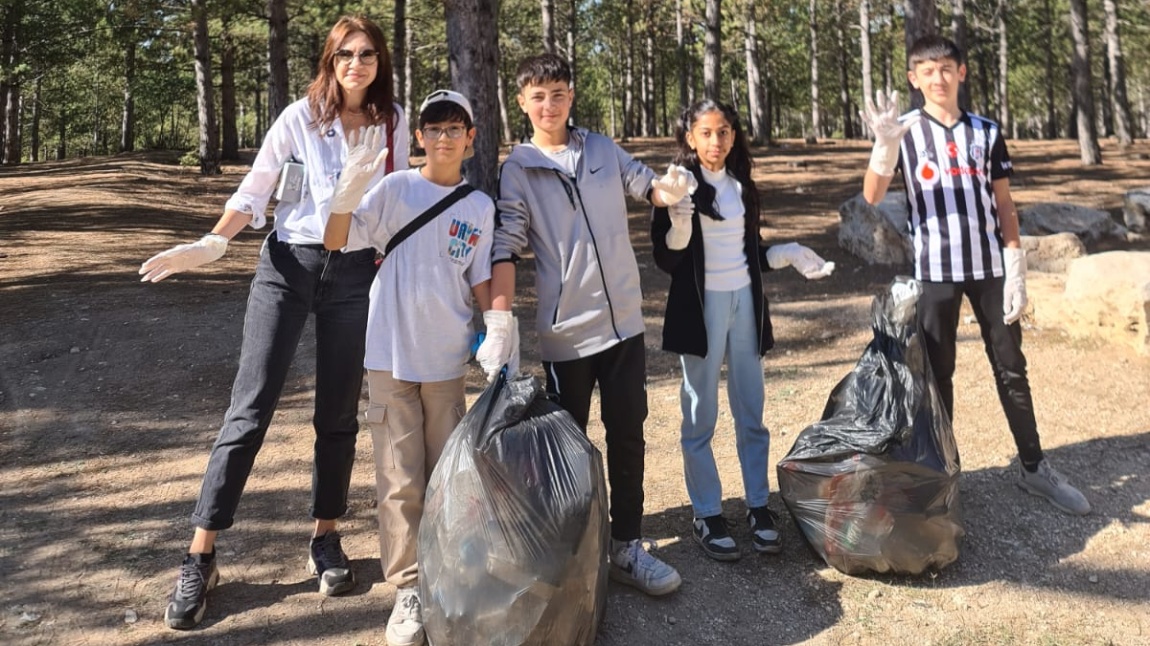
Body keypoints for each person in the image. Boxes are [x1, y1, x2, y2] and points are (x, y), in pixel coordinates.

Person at [139, 15, 410, 630]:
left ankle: (326, 536)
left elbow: (395, 200)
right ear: (330, 59)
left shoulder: (390, 121)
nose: (357, 64)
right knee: (249, 409)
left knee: (339, 412)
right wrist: (213, 242)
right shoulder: (299, 117)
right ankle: (201, 554)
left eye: (368, 54)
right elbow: (257, 187)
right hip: (289, 265)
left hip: (355, 274)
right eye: (346, 54)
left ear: (380, 62)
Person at [478, 52, 694, 597]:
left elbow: (647, 186)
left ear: (571, 96)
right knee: (567, 447)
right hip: (566, 333)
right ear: (522, 104)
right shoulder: (518, 167)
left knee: (628, 435)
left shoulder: (601, 148)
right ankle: (573, 552)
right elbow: (506, 243)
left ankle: (626, 547)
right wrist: (498, 318)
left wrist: (675, 190)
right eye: (537, 96)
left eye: (557, 93)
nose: (548, 105)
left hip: (623, 325)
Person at [860, 35, 1089, 516]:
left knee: (1011, 368)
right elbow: (874, 197)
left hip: (988, 270)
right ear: (913, 78)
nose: (937, 78)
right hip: (935, 272)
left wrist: (1016, 267)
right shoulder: (902, 130)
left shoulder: (986, 131)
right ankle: (945, 474)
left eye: (945, 68)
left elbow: (1004, 203)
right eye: (926, 70)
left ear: (961, 73)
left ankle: (1033, 467)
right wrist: (883, 149)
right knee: (938, 376)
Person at [324, 89, 495, 646]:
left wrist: (497, 327)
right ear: (418, 136)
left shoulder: (478, 207)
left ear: (471, 138)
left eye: (455, 128)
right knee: (398, 478)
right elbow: (336, 239)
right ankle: (408, 587)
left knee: (449, 475)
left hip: (446, 361)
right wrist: (345, 195)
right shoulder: (395, 190)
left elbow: (480, 279)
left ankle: (449, 575)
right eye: (433, 128)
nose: (444, 138)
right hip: (389, 358)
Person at [651, 100, 834, 562]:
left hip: (745, 308)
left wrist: (788, 252)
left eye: (725, 132)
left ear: (734, 136)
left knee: (751, 410)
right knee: (701, 414)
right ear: (689, 137)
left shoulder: (740, 187)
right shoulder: (678, 186)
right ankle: (707, 512)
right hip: (701, 309)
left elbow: (751, 253)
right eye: (707, 133)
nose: (717, 141)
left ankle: (758, 505)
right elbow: (669, 258)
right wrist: (678, 217)